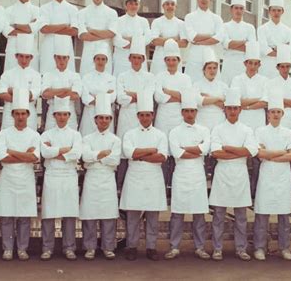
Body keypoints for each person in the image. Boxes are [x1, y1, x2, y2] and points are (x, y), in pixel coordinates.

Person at [209, 88, 258, 262]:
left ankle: (241, 248)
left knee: (241, 216)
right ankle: (217, 248)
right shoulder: (217, 129)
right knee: (219, 215)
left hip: (240, 173)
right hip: (222, 173)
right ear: (225, 110)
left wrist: (228, 148)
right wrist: (239, 152)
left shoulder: (246, 129)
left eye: (235, 108)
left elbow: (251, 150)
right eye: (229, 108)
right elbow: (215, 152)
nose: (232, 111)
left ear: (240, 110)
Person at [0, 89, 40, 261]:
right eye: (17, 113)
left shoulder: (34, 135)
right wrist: (23, 155)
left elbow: (34, 158)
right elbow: (1, 157)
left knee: (24, 217)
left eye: (23, 114)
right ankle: (7, 248)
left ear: (28, 114)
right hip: (8, 178)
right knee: (7, 215)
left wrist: (12, 152)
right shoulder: (4, 133)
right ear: (12, 115)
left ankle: (22, 249)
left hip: (26, 178)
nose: (20, 117)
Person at [120, 91, 168, 261]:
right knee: (133, 214)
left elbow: (162, 157)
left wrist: (140, 155)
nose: (145, 118)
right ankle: (131, 246)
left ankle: (151, 247)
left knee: (152, 215)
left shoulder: (160, 135)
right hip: (134, 176)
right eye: (142, 115)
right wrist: (150, 151)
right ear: (138, 116)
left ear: (152, 115)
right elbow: (129, 153)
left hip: (154, 176)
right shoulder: (130, 134)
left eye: (148, 115)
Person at [164, 89, 211, 261]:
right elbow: (177, 153)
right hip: (181, 174)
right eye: (187, 111)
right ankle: (174, 246)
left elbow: (204, 150)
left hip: (198, 173)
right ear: (182, 112)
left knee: (199, 213)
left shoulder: (204, 130)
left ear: (196, 112)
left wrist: (186, 148)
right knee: (177, 213)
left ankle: (200, 247)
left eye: (192, 111)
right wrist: (195, 150)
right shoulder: (175, 131)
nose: (190, 114)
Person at [253, 88, 291, 261]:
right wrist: (281, 153)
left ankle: (284, 247)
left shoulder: (289, 133)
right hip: (266, 176)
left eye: (279, 112)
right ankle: (259, 247)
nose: (276, 115)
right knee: (262, 213)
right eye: (273, 112)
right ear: (268, 114)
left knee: (284, 214)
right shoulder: (260, 131)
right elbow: (259, 154)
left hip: (283, 177)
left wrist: (270, 155)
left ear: (282, 114)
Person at [40, 97, 82, 261]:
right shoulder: (46, 134)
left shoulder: (76, 134)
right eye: (59, 114)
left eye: (65, 114)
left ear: (69, 116)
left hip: (69, 176)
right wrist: (65, 150)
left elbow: (76, 154)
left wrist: (55, 151)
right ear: (54, 115)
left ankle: (69, 247)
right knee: (49, 214)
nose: (62, 117)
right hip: (52, 175)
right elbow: (44, 153)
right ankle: (47, 247)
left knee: (69, 214)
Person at [80, 94, 122, 261]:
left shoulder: (115, 140)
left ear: (110, 120)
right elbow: (85, 157)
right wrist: (102, 154)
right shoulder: (87, 138)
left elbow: (115, 160)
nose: (104, 121)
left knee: (108, 215)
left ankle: (108, 247)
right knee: (90, 214)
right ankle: (89, 247)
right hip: (92, 178)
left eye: (107, 118)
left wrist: (94, 157)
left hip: (107, 178)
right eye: (101, 118)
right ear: (95, 120)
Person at [115, 36, 155, 189]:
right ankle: (121, 189)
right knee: (125, 153)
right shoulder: (122, 76)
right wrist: (140, 96)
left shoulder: (149, 77)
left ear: (143, 59)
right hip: (126, 117)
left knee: (142, 151)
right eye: (134, 58)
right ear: (129, 58)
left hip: (143, 118)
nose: (136, 61)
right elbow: (120, 98)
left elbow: (148, 96)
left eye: (139, 58)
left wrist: (131, 94)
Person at [154, 39, 192, 184]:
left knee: (177, 150)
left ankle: (176, 185)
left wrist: (168, 91)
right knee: (163, 151)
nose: (171, 63)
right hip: (163, 116)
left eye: (174, 60)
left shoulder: (185, 78)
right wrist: (178, 96)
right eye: (168, 60)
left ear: (179, 60)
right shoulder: (159, 76)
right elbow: (158, 97)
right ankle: (163, 185)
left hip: (179, 117)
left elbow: (187, 97)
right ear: (165, 61)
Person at [0, 34, 41, 130]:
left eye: (27, 57)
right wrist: (23, 95)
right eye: (21, 56)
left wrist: (11, 91)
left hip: (29, 114)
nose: (24, 60)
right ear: (16, 56)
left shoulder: (36, 75)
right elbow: (1, 93)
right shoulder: (7, 74)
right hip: (9, 113)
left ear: (31, 58)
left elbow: (33, 95)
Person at [184, 0, 224, 82]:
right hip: (195, 57)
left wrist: (199, 41)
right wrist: (211, 35)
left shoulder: (216, 18)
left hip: (211, 56)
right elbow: (191, 37)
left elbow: (219, 37)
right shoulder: (189, 17)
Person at [77, 0, 117, 76]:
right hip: (88, 55)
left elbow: (111, 34)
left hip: (105, 55)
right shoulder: (82, 13)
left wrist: (92, 31)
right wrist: (104, 34)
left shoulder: (112, 13)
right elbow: (83, 36)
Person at [39, 0, 78, 74]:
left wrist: (52, 29)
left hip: (66, 47)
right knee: (47, 75)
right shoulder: (44, 8)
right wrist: (64, 26)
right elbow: (44, 29)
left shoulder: (73, 9)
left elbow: (74, 31)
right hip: (49, 47)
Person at [2, 0, 41, 72]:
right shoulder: (8, 10)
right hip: (13, 50)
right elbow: (7, 31)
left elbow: (33, 29)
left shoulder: (37, 10)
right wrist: (27, 29)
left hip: (30, 51)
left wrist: (14, 25)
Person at [41, 36, 82, 131]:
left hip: (69, 112)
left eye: (64, 58)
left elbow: (75, 95)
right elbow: (45, 94)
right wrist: (66, 90)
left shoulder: (75, 76)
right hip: (52, 112)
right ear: (54, 58)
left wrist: (53, 92)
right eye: (59, 58)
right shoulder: (48, 75)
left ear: (68, 58)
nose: (61, 61)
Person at [113, 0, 151, 76]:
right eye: (130, 3)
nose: (133, 6)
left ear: (139, 5)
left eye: (136, 4)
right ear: (126, 5)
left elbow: (148, 38)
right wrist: (137, 41)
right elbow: (116, 40)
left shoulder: (143, 21)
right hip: (121, 59)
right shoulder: (118, 20)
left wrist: (129, 40)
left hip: (139, 60)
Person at [221, 0, 256, 85]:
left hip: (243, 64)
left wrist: (233, 44)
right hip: (228, 63)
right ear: (231, 9)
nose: (238, 11)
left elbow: (251, 48)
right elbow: (226, 44)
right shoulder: (224, 26)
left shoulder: (250, 27)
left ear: (244, 10)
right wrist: (244, 42)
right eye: (236, 8)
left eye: (241, 8)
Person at [80, 43, 117, 136]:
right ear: (94, 60)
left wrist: (94, 96)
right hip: (89, 114)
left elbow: (112, 98)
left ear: (106, 61)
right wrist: (104, 96)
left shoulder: (112, 79)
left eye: (103, 59)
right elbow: (85, 98)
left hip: (106, 115)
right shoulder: (86, 77)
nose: (100, 62)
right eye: (98, 59)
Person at [264, 44, 291, 130]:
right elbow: (267, 103)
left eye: (287, 66)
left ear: (290, 67)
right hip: (274, 121)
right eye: (282, 67)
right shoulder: (270, 83)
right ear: (277, 68)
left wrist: (278, 100)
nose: (285, 69)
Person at [231, 42, 268, 132]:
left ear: (259, 65)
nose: (253, 66)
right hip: (242, 117)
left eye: (256, 64)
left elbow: (265, 103)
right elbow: (236, 101)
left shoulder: (265, 80)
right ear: (245, 63)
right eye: (250, 63)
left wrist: (247, 107)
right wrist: (259, 99)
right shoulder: (237, 79)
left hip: (258, 118)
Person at [150, 0, 188, 75]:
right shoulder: (157, 22)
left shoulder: (181, 23)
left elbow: (184, 43)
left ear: (176, 7)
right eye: (167, 4)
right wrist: (175, 39)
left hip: (175, 60)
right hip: (159, 59)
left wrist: (162, 40)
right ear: (163, 6)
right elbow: (155, 41)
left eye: (172, 4)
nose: (170, 6)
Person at [258, 0, 291, 79]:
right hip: (266, 66)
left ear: (282, 11)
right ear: (269, 11)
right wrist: (282, 49)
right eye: (273, 10)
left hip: (281, 67)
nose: (276, 13)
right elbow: (263, 49)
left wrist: (274, 48)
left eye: (278, 10)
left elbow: (290, 49)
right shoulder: (262, 29)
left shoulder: (288, 30)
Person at [193, 48, 227, 131]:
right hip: (202, 121)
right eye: (209, 68)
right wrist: (218, 98)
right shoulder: (196, 85)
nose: (212, 71)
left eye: (214, 68)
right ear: (204, 70)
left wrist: (208, 97)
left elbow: (225, 106)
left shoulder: (223, 86)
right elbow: (199, 101)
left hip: (219, 121)